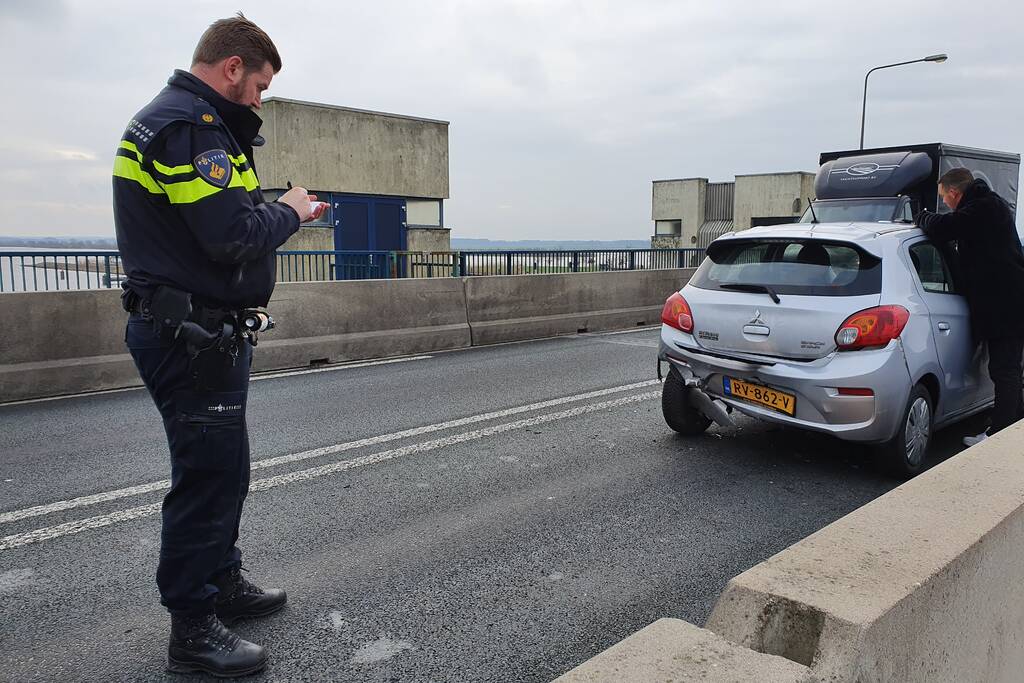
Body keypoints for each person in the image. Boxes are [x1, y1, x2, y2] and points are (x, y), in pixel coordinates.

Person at [112, 14, 326, 677]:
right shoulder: (187, 129)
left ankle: (222, 582)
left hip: (205, 331)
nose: (260, 99)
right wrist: (290, 208)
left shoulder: (196, 124)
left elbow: (223, 224)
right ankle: (193, 628)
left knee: (226, 469)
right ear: (232, 68)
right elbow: (231, 233)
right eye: (259, 85)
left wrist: (272, 214)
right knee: (206, 477)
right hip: (189, 334)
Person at [917, 168, 1024, 446]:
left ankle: (998, 438)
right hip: (1007, 303)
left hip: (1006, 305)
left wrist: (921, 216)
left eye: (945, 198)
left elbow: (942, 228)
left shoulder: (983, 208)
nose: (946, 204)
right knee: (1008, 370)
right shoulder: (988, 205)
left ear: (954, 192)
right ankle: (1012, 427)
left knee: (1005, 370)